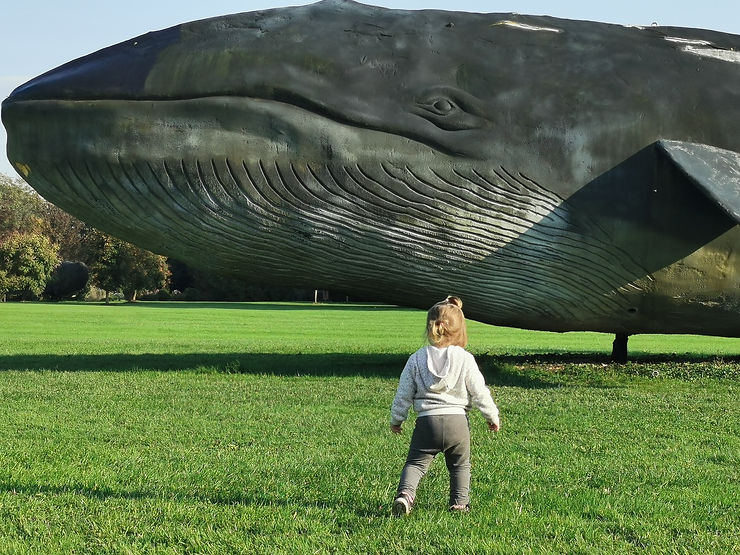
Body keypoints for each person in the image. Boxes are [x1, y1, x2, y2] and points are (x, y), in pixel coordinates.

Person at [390, 296, 500, 516]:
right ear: (459, 330)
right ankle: (459, 504)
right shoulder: (465, 359)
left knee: (415, 464)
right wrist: (491, 416)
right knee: (460, 466)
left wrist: (397, 419)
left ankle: (405, 496)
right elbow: (479, 391)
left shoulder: (416, 359)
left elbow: (404, 394)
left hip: (426, 423)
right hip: (457, 424)